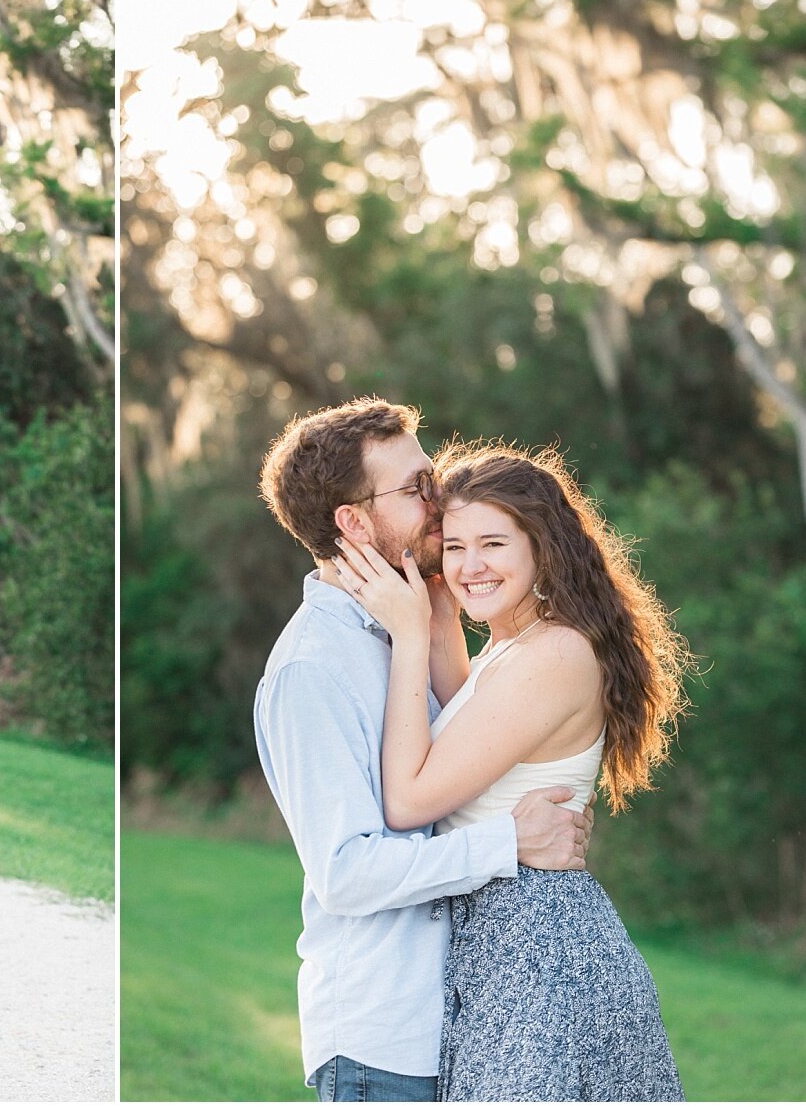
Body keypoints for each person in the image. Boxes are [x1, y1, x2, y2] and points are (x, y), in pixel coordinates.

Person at [254, 396, 592, 1103]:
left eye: (430, 476)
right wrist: (510, 842)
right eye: (415, 489)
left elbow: (461, 773)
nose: (439, 502)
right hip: (382, 1039)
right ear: (354, 522)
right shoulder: (313, 668)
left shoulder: (408, 622)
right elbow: (346, 872)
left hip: (469, 1023)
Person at [331, 439, 689, 1101]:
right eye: (456, 545)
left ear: (541, 549)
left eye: (493, 544)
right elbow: (462, 735)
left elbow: (409, 801)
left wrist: (409, 637)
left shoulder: (555, 655)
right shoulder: (510, 646)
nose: (470, 565)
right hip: (503, 944)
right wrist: (436, 618)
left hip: (542, 954)